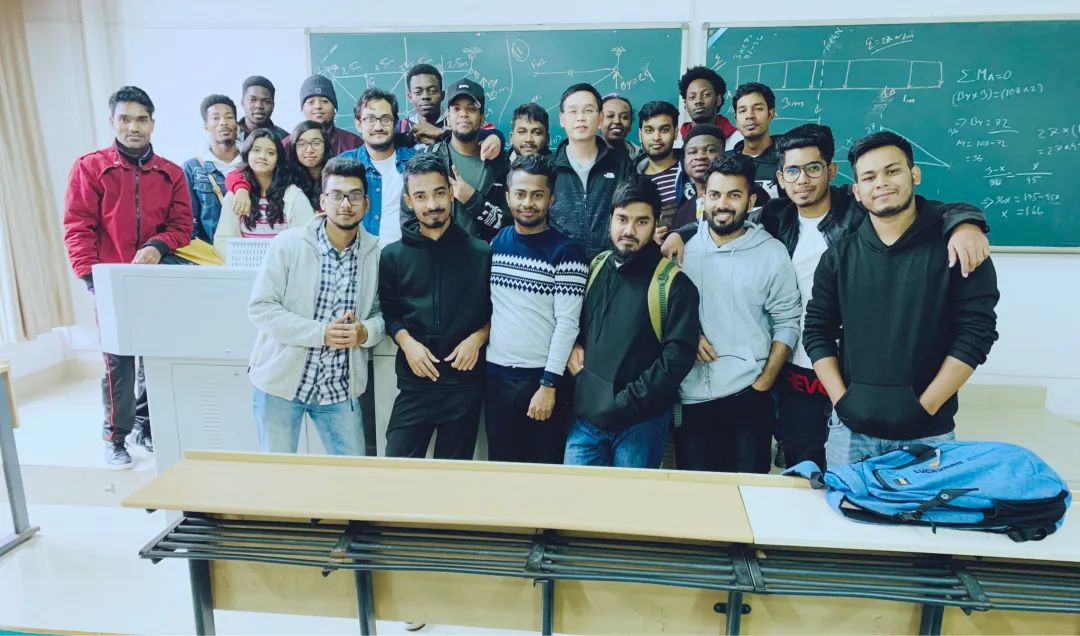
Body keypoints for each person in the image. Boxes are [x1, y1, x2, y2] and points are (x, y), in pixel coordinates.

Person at [763, 124, 990, 470]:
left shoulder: (950, 247)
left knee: (916, 505)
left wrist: (967, 222)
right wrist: (844, 403)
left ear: (915, 174)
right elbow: (818, 327)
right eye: (869, 177)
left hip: (923, 425)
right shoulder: (780, 221)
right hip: (826, 395)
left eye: (892, 171)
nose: (881, 183)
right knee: (821, 487)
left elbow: (975, 333)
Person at [63, 85, 193, 468]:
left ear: (152, 123)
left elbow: (182, 226)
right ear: (112, 121)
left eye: (141, 119)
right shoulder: (91, 167)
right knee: (118, 363)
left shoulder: (170, 173)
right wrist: (92, 278)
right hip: (110, 281)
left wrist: (158, 245)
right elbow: (77, 227)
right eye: (125, 119)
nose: (133, 127)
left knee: (155, 356)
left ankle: (146, 426)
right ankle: (115, 437)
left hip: (155, 281)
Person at [247, 157, 384, 455]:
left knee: (352, 475)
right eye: (337, 195)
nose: (345, 204)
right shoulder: (288, 244)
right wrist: (321, 333)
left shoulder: (375, 254)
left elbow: (380, 315)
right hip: (280, 384)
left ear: (366, 203)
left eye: (354, 195)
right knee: (276, 474)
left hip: (339, 389)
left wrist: (364, 332)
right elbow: (261, 308)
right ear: (323, 201)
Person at [564, 176, 699, 468]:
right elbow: (574, 324)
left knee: (630, 499)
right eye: (622, 219)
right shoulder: (596, 267)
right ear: (610, 219)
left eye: (641, 222)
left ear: (655, 224)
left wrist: (623, 403)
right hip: (586, 419)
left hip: (640, 424)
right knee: (574, 496)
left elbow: (677, 359)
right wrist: (573, 348)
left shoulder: (674, 284)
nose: (629, 230)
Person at [676, 155, 800, 473]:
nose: (723, 204)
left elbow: (787, 321)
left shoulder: (771, 253)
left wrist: (764, 383)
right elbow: (662, 311)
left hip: (748, 396)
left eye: (734, 195)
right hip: (691, 398)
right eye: (715, 194)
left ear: (751, 201)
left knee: (749, 494)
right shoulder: (682, 251)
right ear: (703, 197)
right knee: (695, 495)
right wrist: (688, 333)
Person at [379, 154, 492, 460]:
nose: (432, 204)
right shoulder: (392, 256)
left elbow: (495, 312)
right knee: (396, 469)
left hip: (464, 386)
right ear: (408, 201)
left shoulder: (481, 253)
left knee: (453, 480)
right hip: (415, 384)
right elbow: (390, 312)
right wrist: (407, 344)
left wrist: (478, 338)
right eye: (421, 196)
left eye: (439, 193)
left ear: (451, 192)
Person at [485, 155, 587, 464]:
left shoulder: (567, 252)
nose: (528, 203)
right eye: (520, 194)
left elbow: (568, 323)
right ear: (508, 197)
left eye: (537, 195)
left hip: (542, 381)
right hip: (496, 379)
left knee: (544, 474)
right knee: (502, 471)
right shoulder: (498, 242)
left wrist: (549, 384)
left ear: (551, 198)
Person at [549, 83, 635, 259]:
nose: (580, 118)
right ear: (562, 119)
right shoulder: (548, 167)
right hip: (560, 265)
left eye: (588, 110)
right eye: (573, 111)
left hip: (610, 265)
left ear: (600, 117)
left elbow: (630, 214)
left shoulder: (621, 165)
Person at [422, 79, 509, 241]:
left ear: (482, 119)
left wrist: (472, 199)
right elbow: (410, 215)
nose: (463, 114)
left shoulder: (501, 163)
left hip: (487, 253)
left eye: (471, 109)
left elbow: (509, 223)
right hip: (439, 252)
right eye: (456, 109)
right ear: (448, 118)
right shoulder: (429, 158)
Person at [214, 129, 314, 256]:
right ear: (247, 154)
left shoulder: (294, 195)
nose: (262, 156)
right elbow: (222, 241)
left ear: (278, 159)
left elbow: (307, 241)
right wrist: (244, 260)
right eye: (256, 150)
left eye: (270, 153)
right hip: (244, 265)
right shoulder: (237, 195)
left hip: (283, 266)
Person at [339, 88, 417, 248]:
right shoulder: (343, 164)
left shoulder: (415, 161)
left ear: (395, 123)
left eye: (385, 119)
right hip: (359, 256)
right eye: (370, 119)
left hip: (407, 255)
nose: (378, 126)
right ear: (359, 124)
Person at [398, 63, 503, 157]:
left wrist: (442, 133)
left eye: (432, 91)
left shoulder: (455, 119)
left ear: (442, 95)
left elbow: (494, 134)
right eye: (418, 92)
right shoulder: (401, 127)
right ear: (410, 97)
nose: (425, 96)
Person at [183, 94, 242, 244]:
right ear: (206, 126)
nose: (223, 122)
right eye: (216, 118)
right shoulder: (192, 168)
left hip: (250, 250)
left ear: (236, 123)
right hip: (209, 252)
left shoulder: (252, 163)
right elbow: (188, 223)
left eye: (229, 117)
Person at [633, 100, 685, 229]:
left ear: (676, 132)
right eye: (649, 130)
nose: (656, 137)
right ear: (640, 134)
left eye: (664, 130)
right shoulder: (631, 178)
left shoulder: (691, 170)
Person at [665, 124, 725, 232]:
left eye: (710, 150)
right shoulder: (681, 215)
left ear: (723, 154)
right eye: (692, 152)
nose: (700, 156)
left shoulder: (737, 201)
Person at [729, 82, 782, 199]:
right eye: (742, 111)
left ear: (770, 114)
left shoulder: (787, 158)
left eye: (758, 109)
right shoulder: (727, 162)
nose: (749, 116)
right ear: (736, 118)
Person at [296, 74, 362, 154]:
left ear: (334, 107)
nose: (318, 106)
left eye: (324, 101)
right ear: (302, 108)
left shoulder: (354, 144)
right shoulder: (289, 145)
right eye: (311, 102)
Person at [678, 66, 737, 144]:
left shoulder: (737, 140)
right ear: (685, 105)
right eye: (692, 97)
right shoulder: (676, 141)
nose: (698, 101)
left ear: (718, 100)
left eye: (706, 95)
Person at [237, 75, 289, 143]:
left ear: (273, 106)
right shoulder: (230, 135)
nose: (259, 106)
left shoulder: (285, 140)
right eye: (253, 100)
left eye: (266, 101)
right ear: (242, 102)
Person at [600, 93, 640, 158]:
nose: (617, 121)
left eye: (624, 117)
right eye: (610, 116)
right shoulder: (584, 154)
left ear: (630, 124)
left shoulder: (641, 157)